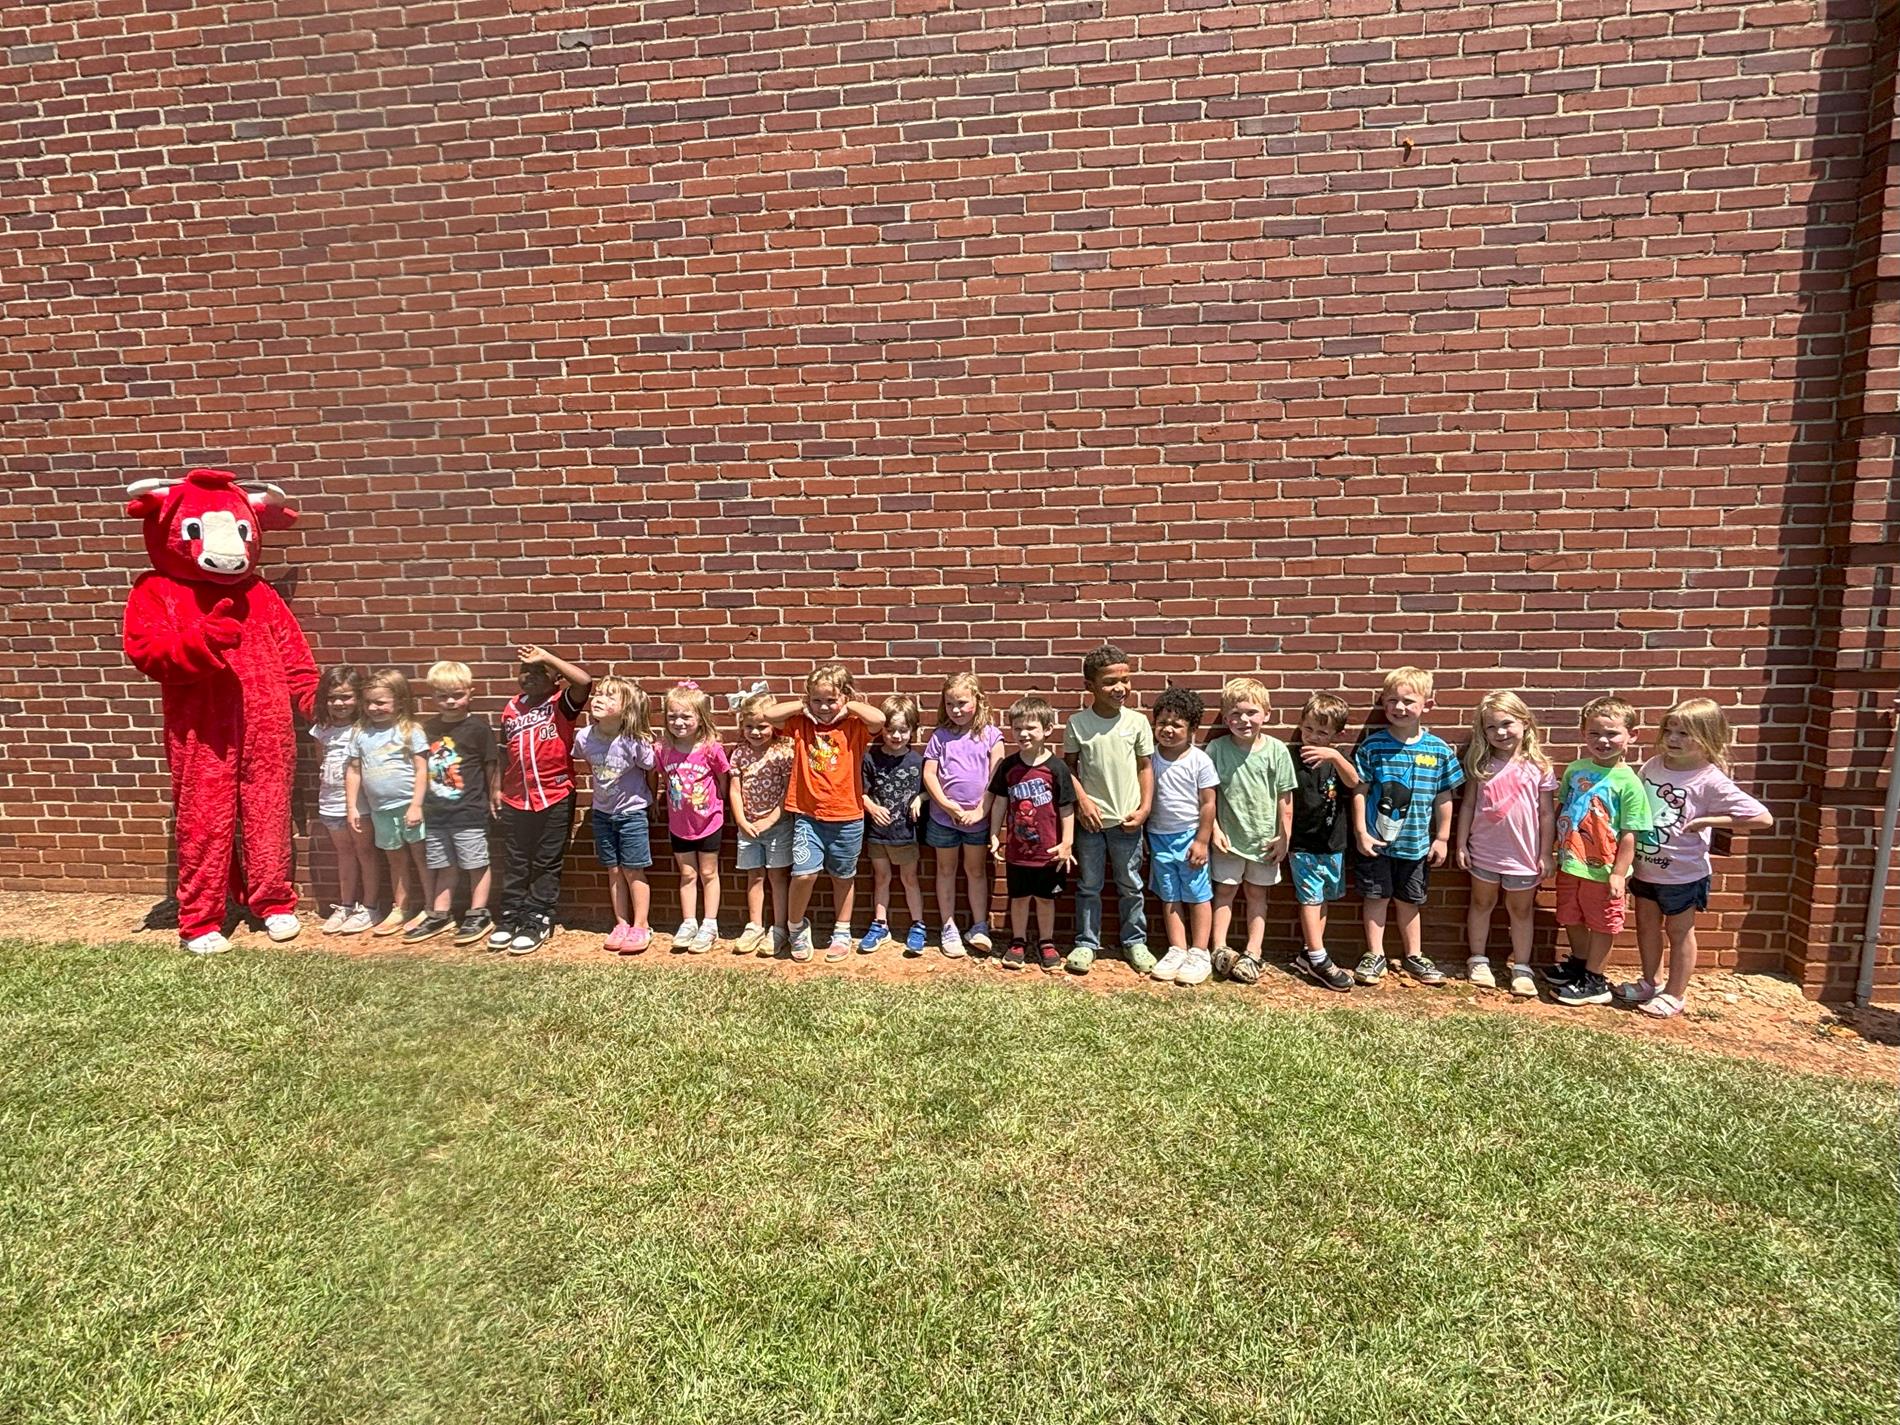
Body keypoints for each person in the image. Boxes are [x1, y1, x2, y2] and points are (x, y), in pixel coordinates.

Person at [1620, 698, 1773, 1018]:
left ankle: (1675, 994)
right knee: (1646, 926)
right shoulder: (1653, 765)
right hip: (1647, 867)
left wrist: (1708, 822)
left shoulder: (1710, 778)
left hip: (1684, 874)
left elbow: (1762, 818)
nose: (1673, 739)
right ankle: (1651, 982)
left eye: (1684, 733)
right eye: (1670, 730)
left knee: (1679, 931)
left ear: (1708, 737)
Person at [1349, 666, 1465, 986]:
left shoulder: (1439, 751)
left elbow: (1445, 797)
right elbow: (1359, 791)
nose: (1399, 708)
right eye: (1391, 701)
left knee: (1409, 899)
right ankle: (1375, 954)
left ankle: (1414, 954)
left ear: (1428, 704)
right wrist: (1361, 832)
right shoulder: (1372, 747)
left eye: (1408, 701)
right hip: (1376, 841)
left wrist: (1442, 838)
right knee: (1376, 897)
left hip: (1416, 844)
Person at [763, 664, 887, 962]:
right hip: (809, 815)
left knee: (843, 876)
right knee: (804, 874)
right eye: (817, 700)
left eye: (831, 700)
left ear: (844, 698)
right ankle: (795, 928)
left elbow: (879, 719)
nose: (824, 707)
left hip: (848, 816)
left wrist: (849, 705)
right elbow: (770, 715)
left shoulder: (854, 726)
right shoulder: (802, 724)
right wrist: (805, 705)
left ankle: (841, 932)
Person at [1548, 696, 1654, 1007]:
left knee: (1602, 923)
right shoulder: (1576, 769)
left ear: (1631, 736)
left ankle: (1595, 980)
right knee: (1571, 915)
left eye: (1612, 733)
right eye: (1594, 733)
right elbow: (1564, 808)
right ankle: (1580, 965)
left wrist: (1619, 873)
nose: (1603, 741)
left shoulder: (1629, 783)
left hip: (1604, 870)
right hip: (1571, 863)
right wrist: (1552, 849)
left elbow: (1630, 833)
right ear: (1583, 735)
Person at [488, 643, 592, 955]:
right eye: (525, 672)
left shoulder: (561, 703)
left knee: (546, 861)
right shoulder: (511, 707)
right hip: (517, 798)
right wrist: (496, 788)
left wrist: (547, 657)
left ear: (555, 679)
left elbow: (584, 682)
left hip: (555, 795)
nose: (530, 677)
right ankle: (510, 916)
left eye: (539, 672)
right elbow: (504, 752)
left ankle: (537, 917)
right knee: (517, 859)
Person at [1455, 691, 1557, 998]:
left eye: (1507, 724)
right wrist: (1461, 844)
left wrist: (1545, 853)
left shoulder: (1539, 766)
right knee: (1481, 904)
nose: (1500, 732)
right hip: (1485, 850)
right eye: (1491, 727)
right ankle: (1478, 959)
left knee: (1521, 910)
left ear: (1525, 723)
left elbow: (1547, 813)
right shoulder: (1480, 763)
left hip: (1523, 853)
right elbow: (1469, 805)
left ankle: (1522, 966)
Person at [1063, 644, 1154, 975]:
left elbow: (1146, 767)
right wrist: (1083, 801)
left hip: (1128, 822)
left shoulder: (1138, 722)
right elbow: (1069, 768)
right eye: (1110, 682)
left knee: (1131, 885)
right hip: (1092, 823)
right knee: (1089, 885)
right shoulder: (1078, 724)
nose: (1121, 688)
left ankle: (1135, 941)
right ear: (1090, 687)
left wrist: (1144, 808)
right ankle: (1087, 942)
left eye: (1126, 680)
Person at [1206, 677, 1296, 984]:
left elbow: (1285, 798)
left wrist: (1284, 838)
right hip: (1228, 840)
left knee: (1257, 894)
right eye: (1235, 713)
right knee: (1225, 892)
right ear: (1224, 715)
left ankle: (1253, 953)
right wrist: (1213, 830)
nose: (1243, 719)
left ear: (1266, 714)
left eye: (1251, 712)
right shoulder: (1216, 749)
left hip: (1264, 841)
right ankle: (1218, 948)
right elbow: (1206, 795)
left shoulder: (1277, 751)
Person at [408, 660, 500, 946]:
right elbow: (421, 770)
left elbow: (490, 767)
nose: (450, 701)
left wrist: (493, 795)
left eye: (457, 695)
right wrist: (418, 805)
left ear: (470, 693)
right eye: (442, 696)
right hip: (437, 813)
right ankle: (441, 913)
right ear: (432, 696)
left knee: (476, 863)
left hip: (469, 810)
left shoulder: (477, 728)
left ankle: (479, 912)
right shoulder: (428, 729)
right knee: (443, 864)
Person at [988, 696, 1078, 971]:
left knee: (1045, 898)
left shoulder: (1057, 768)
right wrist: (994, 834)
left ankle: (1046, 942)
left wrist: (1067, 843)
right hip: (1017, 850)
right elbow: (1000, 802)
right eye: (1017, 729)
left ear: (1048, 729)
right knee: (1018, 898)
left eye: (1031, 728)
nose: (1024, 734)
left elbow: (1066, 808)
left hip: (1048, 853)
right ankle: (1018, 941)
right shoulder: (1009, 766)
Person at [922, 673, 1006, 958]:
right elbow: (929, 774)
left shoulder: (992, 736)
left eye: (962, 703)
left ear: (978, 701)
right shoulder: (940, 737)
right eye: (949, 704)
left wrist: (981, 811)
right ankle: (948, 927)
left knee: (976, 871)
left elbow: (997, 778)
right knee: (945, 871)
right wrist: (946, 805)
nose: (955, 710)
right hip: (943, 818)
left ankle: (979, 925)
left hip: (976, 820)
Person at [344, 667, 430, 938]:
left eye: (380, 702)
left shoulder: (410, 730)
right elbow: (354, 770)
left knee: (421, 857)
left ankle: (431, 907)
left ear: (400, 702)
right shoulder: (360, 733)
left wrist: (417, 804)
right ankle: (401, 907)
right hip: (380, 810)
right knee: (395, 860)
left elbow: (421, 769)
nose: (373, 708)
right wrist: (352, 806)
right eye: (369, 702)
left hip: (409, 806)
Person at [573, 675, 656, 954]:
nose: (599, 699)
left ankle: (641, 925)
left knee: (634, 870)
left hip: (632, 813)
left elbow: (650, 769)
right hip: (602, 813)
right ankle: (621, 923)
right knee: (613, 869)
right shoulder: (584, 737)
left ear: (626, 709)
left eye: (610, 696)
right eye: (598, 693)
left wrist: (651, 801)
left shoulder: (633, 741)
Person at [1283, 692, 1359, 992]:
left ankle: (1309, 951)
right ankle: (1318, 958)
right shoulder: (1291, 757)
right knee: (1310, 899)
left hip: (1333, 842)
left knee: (1322, 898)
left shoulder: (1338, 761)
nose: (1313, 737)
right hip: (1302, 843)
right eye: (1308, 729)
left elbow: (1354, 782)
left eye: (1322, 733)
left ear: (1337, 735)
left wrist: (1336, 756)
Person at [1145, 687, 1219, 987]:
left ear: (1192, 729)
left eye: (1177, 724)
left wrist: (1202, 840)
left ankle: (1200, 952)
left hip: (1190, 837)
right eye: (1163, 722)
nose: (1169, 729)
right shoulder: (1149, 759)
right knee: (1169, 894)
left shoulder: (1199, 761)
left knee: (1198, 894)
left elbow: (1209, 803)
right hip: (1158, 836)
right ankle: (1177, 948)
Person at [653, 680, 730, 954]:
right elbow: (662, 777)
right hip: (679, 823)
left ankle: (710, 923)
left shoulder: (710, 748)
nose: (679, 722)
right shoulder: (662, 748)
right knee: (687, 873)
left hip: (709, 820)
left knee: (708, 872)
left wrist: (721, 805)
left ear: (700, 718)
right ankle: (688, 922)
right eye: (672, 716)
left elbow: (723, 780)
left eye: (686, 716)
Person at [310, 665, 380, 936]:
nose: (339, 703)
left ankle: (371, 906)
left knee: (365, 852)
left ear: (359, 698)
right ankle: (346, 905)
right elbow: (321, 762)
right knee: (344, 853)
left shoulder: (364, 729)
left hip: (359, 803)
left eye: (346, 697)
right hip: (330, 801)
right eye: (332, 698)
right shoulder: (322, 730)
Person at [728, 689, 795, 958]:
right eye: (749, 726)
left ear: (774, 726)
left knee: (778, 877)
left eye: (762, 726)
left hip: (777, 825)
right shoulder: (740, 753)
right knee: (754, 876)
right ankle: (755, 925)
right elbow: (734, 789)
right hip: (748, 826)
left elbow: (789, 790)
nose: (756, 732)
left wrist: (771, 818)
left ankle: (779, 929)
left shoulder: (783, 751)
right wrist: (741, 820)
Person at [861, 694, 929, 955]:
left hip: (906, 832)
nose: (896, 736)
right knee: (881, 878)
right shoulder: (871, 758)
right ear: (882, 730)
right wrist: (871, 807)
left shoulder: (918, 761)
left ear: (912, 730)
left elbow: (929, 790)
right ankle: (880, 925)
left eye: (903, 730)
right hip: (878, 832)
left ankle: (918, 925)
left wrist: (920, 799)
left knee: (909, 878)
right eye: (891, 730)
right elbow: (861, 791)